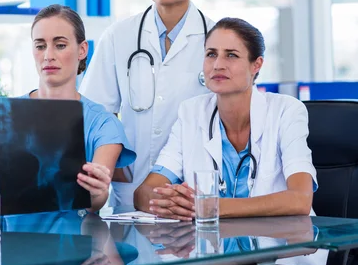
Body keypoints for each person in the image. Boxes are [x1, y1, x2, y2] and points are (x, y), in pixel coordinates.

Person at [0, 5, 136, 213]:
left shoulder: (103, 124)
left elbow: (95, 202)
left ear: (82, 50)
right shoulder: (4, 112)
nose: (48, 55)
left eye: (60, 45)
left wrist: (97, 191)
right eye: (40, 46)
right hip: (6, 243)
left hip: (74, 244)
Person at [79, 0, 215, 207]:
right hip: (130, 192)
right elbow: (94, 113)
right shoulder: (119, 36)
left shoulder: (217, 37)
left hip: (195, 191)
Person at [134, 17, 318, 219]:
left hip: (285, 244)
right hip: (214, 245)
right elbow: (144, 193)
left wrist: (211, 207)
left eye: (231, 55)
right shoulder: (191, 112)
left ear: (256, 65)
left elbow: (300, 198)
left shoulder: (286, 111)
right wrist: (174, 203)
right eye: (211, 54)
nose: (218, 65)